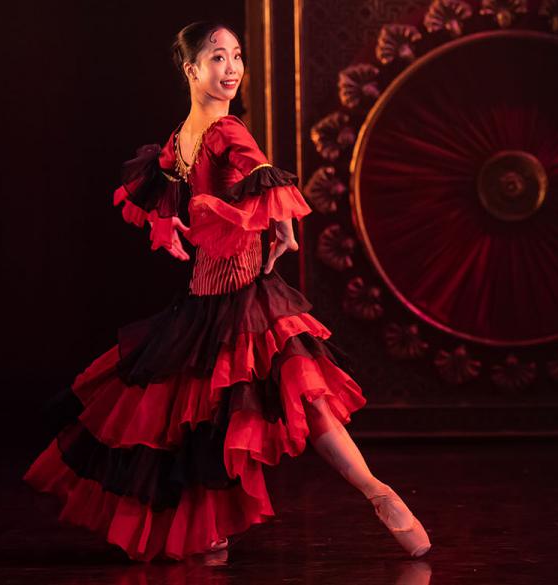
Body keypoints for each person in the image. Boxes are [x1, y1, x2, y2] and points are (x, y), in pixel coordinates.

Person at [22, 21, 430, 562]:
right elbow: (182, 192)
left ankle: (377, 492)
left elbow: (252, 177)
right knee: (203, 417)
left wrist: (270, 223)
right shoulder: (198, 135)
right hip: (208, 299)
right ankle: (217, 523)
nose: (232, 67)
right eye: (218, 57)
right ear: (191, 69)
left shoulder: (206, 134)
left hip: (242, 294)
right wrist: (188, 229)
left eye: (237, 55)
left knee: (296, 399)